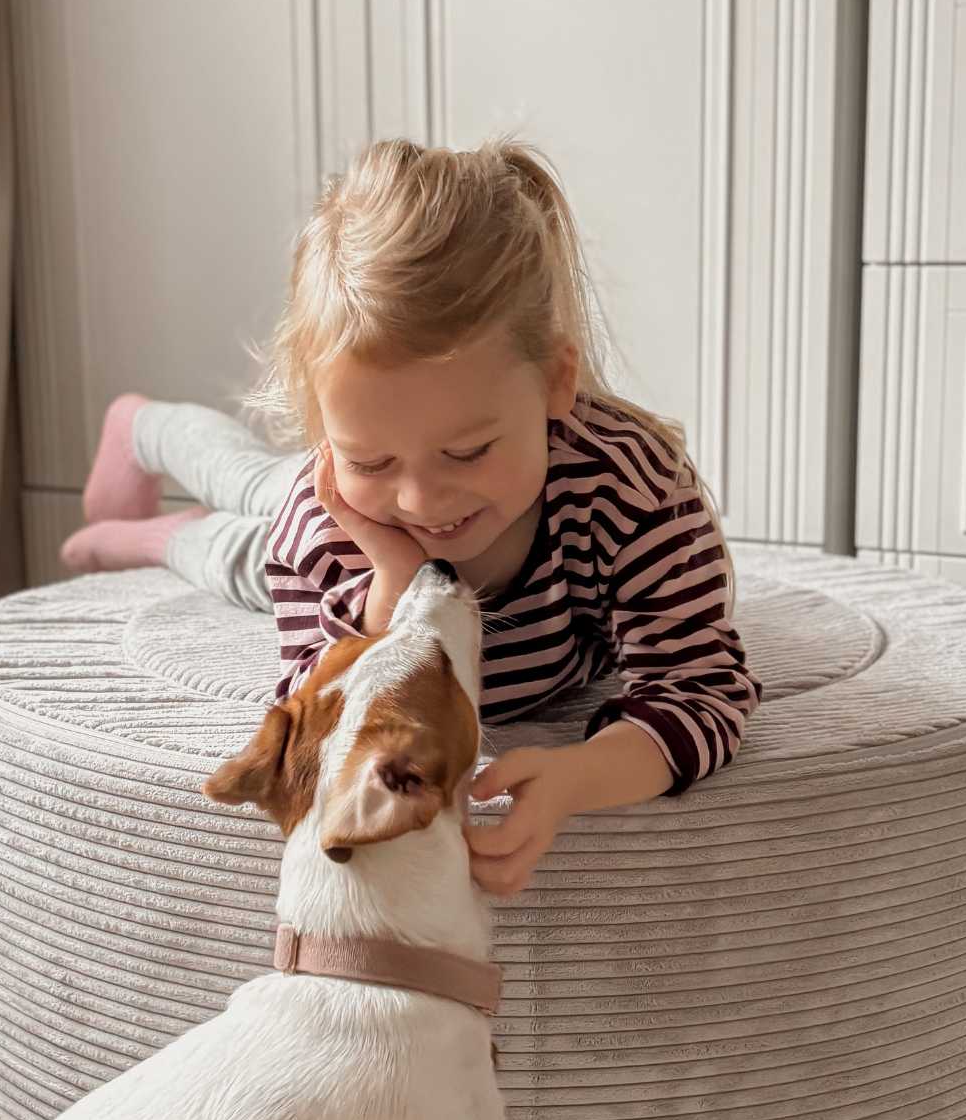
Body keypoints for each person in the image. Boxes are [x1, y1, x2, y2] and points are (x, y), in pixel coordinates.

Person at [61, 137, 761, 896]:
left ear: (557, 382)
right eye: (372, 460)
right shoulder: (325, 517)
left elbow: (703, 688)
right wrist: (394, 573)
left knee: (262, 519)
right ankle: (141, 437)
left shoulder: (631, 488)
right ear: (326, 429)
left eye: (468, 452)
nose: (425, 504)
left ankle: (157, 517)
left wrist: (578, 776)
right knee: (247, 528)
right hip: (324, 517)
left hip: (353, 496)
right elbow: (324, 709)